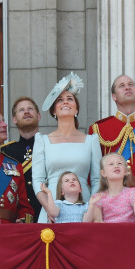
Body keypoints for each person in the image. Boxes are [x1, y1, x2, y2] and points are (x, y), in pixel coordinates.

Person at [32, 72, 102, 223]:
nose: (65, 102)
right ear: (54, 111)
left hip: (84, 209)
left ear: (76, 110)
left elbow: (97, 180)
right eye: (60, 100)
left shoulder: (91, 140)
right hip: (51, 209)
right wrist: (48, 208)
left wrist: (90, 208)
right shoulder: (42, 140)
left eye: (70, 99)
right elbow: (37, 180)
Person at [1, 97, 41, 222]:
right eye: (21, 110)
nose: (26, 112)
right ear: (14, 119)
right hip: (16, 217)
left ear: (39, 116)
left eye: (30, 109)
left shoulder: (49, 145)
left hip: (45, 213)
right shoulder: (5, 152)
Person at [93, 153, 135, 223]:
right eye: (111, 164)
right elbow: (98, 222)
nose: (116, 166)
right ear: (103, 173)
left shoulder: (134, 193)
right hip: (107, 232)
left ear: (125, 171)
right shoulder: (98, 197)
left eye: (119, 163)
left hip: (130, 232)